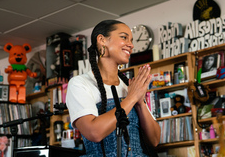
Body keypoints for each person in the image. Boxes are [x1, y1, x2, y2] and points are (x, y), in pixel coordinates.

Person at [66, 20, 161, 157]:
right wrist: (131, 98)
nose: (131, 45)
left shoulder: (129, 86)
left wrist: (140, 103)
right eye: (124, 37)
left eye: (131, 40)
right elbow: (94, 133)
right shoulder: (80, 84)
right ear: (102, 40)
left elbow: (154, 140)